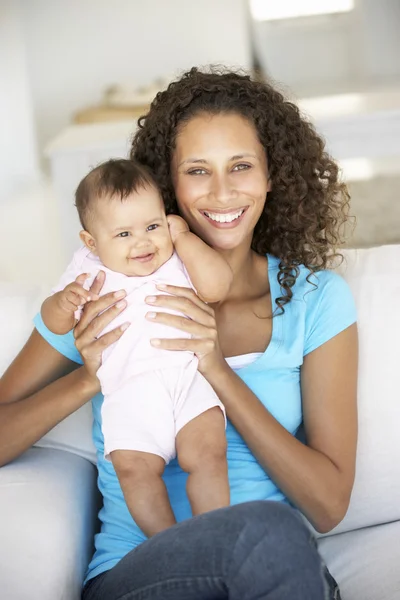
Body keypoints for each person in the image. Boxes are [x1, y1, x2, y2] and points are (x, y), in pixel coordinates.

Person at [0, 67, 358, 600]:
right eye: (197, 170)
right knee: (266, 533)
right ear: (169, 183)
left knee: (268, 533)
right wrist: (87, 380)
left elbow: (327, 507)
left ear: (271, 175)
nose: (221, 192)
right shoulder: (109, 291)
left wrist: (215, 368)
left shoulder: (316, 300)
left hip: (272, 566)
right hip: (141, 571)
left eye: (241, 166)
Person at [40, 158, 232, 537]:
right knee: (134, 470)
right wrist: (63, 304)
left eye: (152, 225)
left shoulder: (176, 253)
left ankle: (215, 538)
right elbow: (53, 321)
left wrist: (184, 238)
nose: (143, 241)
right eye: (123, 234)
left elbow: (217, 287)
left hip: (187, 378)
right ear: (92, 242)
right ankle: (170, 545)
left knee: (209, 453)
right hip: (129, 390)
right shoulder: (86, 268)